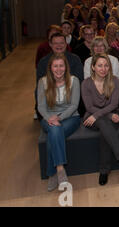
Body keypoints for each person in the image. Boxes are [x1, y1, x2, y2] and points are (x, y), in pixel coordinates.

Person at [81, 54, 119, 186]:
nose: (103, 69)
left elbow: (114, 105)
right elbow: (89, 107)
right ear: (93, 67)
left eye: (106, 65)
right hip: (91, 117)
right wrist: (108, 115)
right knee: (103, 122)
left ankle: (104, 170)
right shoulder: (86, 83)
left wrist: (109, 115)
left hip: (110, 115)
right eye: (100, 65)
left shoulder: (115, 81)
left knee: (105, 131)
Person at [37, 53, 81, 191]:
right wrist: (50, 118)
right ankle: (60, 169)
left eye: (61, 66)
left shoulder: (74, 81)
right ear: (50, 68)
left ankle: (52, 173)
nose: (58, 69)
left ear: (66, 67)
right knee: (55, 130)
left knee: (54, 132)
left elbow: (74, 106)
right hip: (48, 118)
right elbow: (41, 107)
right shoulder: (43, 82)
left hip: (71, 117)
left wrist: (59, 118)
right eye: (55, 66)